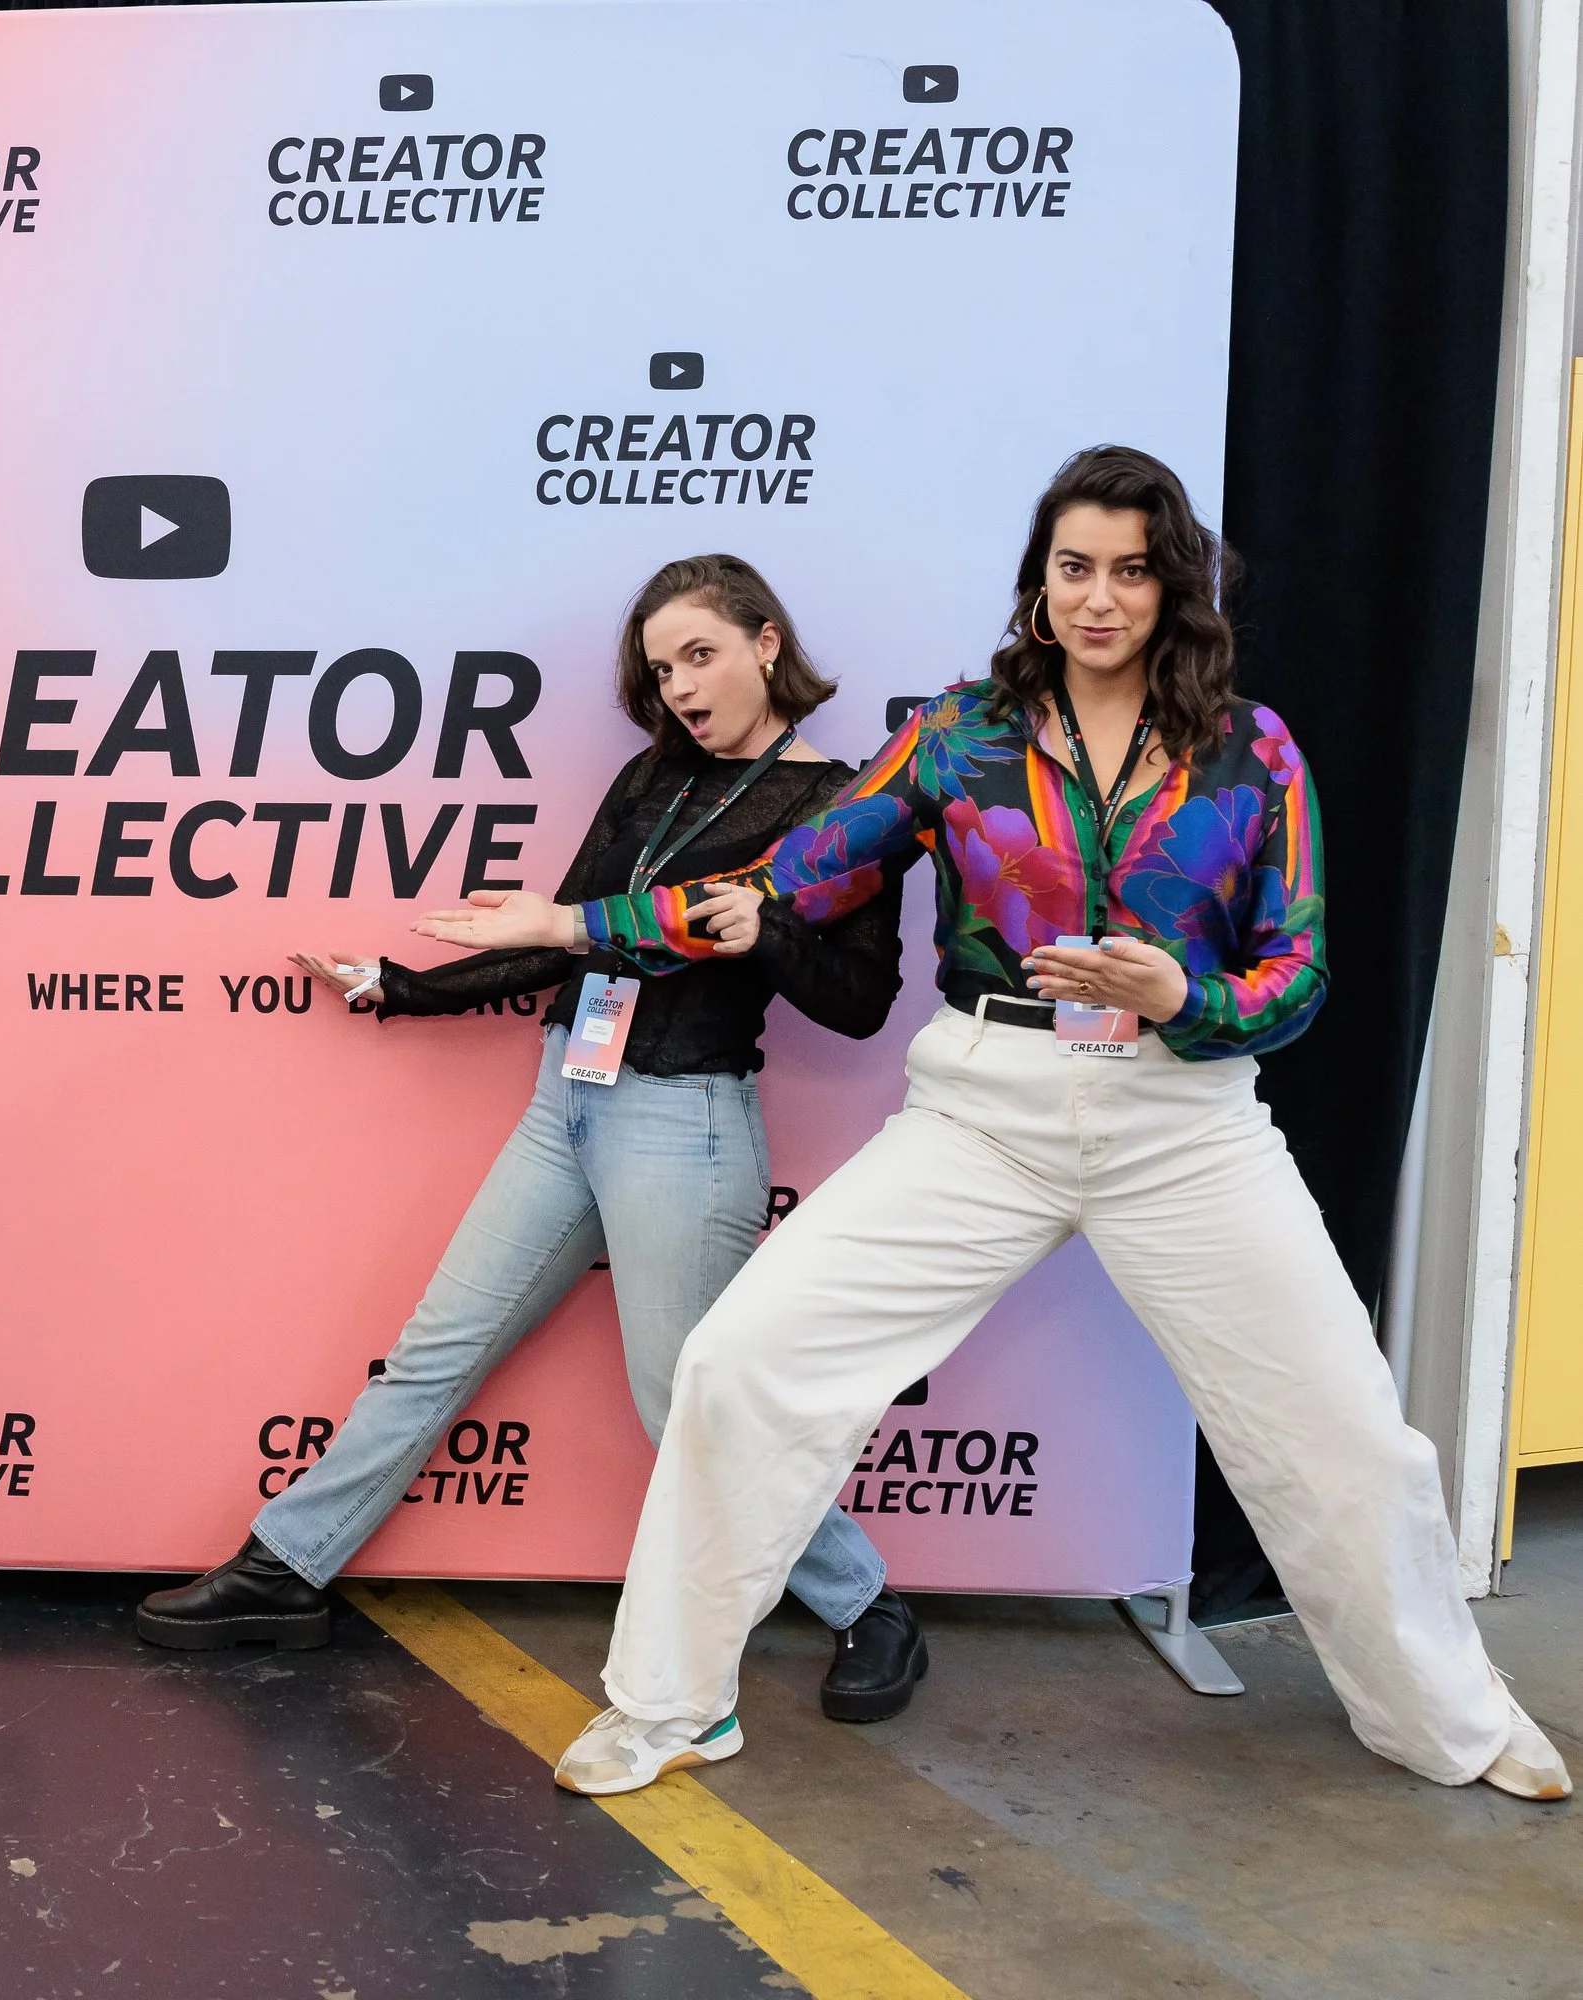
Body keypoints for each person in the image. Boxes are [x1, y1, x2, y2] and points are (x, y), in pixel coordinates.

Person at [422, 447, 1569, 1803]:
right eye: (1074, 567)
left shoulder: (1250, 747)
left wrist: (1183, 997)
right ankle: (668, 1702)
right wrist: (572, 922)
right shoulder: (961, 732)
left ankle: (1449, 1719)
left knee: (1348, 1434)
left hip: (1183, 1120)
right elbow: (780, 884)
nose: (1099, 598)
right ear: (1040, 580)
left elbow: (1300, 973)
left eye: (1131, 571)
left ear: (1174, 586)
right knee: (738, 1360)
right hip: (984, 1110)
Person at [137, 554, 932, 1726]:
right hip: (565, 1097)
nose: (680, 687)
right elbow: (559, 934)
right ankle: (284, 1564)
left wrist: (761, 930)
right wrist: (402, 986)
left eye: (700, 655)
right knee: (435, 1349)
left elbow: (860, 1004)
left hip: (682, 1121)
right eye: (662, 668)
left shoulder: (840, 808)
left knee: (687, 1406)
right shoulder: (650, 776)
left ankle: (871, 1604)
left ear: (767, 643)